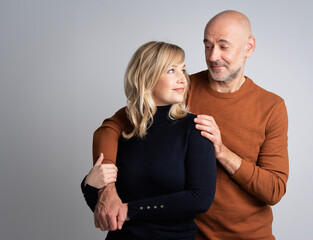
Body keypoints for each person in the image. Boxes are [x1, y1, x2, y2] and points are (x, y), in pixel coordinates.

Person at [92, 10, 289, 240]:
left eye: (223, 46)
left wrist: (222, 152)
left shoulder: (271, 106)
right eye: (207, 45)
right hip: (190, 235)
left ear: (249, 47)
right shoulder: (182, 88)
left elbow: (274, 189)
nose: (213, 56)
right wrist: (107, 188)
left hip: (250, 236)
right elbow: (110, 128)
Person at [81, 41, 217, 239]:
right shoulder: (123, 130)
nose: (182, 79)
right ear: (147, 77)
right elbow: (106, 211)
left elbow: (200, 199)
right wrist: (89, 186)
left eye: (183, 70)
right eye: (171, 71)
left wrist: (131, 210)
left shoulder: (194, 128)